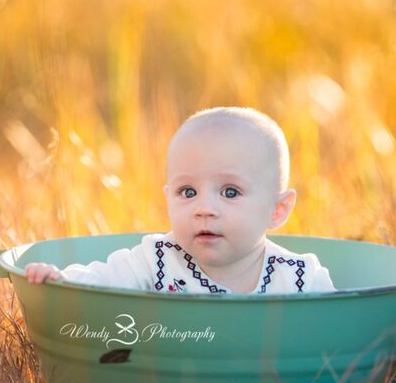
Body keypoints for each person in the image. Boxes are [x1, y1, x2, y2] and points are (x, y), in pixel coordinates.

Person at [25, 107, 335, 294]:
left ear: (277, 210)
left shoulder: (300, 277)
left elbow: (340, 325)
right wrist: (60, 280)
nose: (204, 209)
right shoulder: (156, 260)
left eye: (230, 192)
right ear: (168, 198)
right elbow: (100, 281)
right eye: (187, 192)